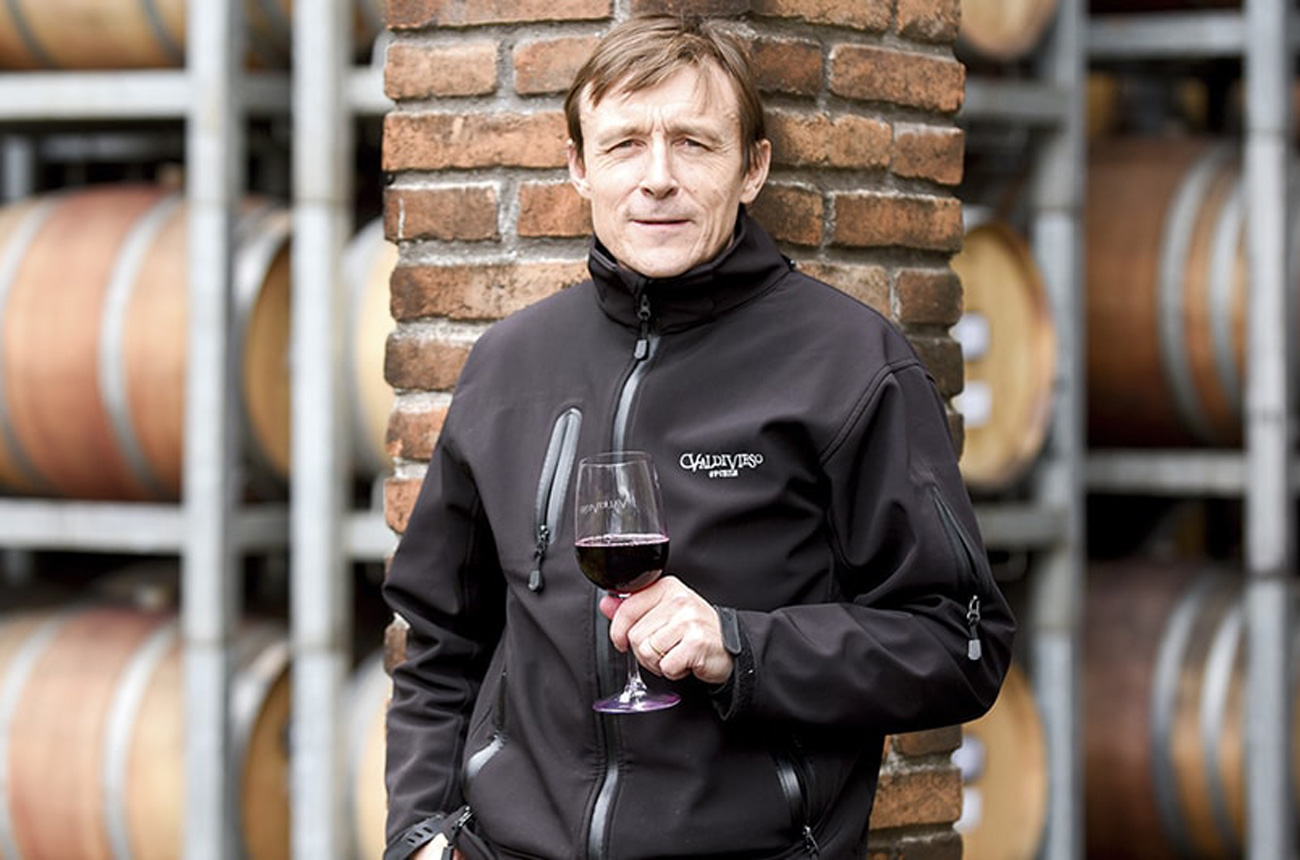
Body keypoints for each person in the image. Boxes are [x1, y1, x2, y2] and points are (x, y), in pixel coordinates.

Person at [382, 14, 1015, 860]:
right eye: (623, 146)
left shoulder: (850, 364)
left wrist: (741, 646)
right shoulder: (508, 365)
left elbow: (960, 642)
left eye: (693, 144)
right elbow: (439, 641)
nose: (657, 180)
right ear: (577, 166)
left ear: (751, 169)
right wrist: (420, 835)